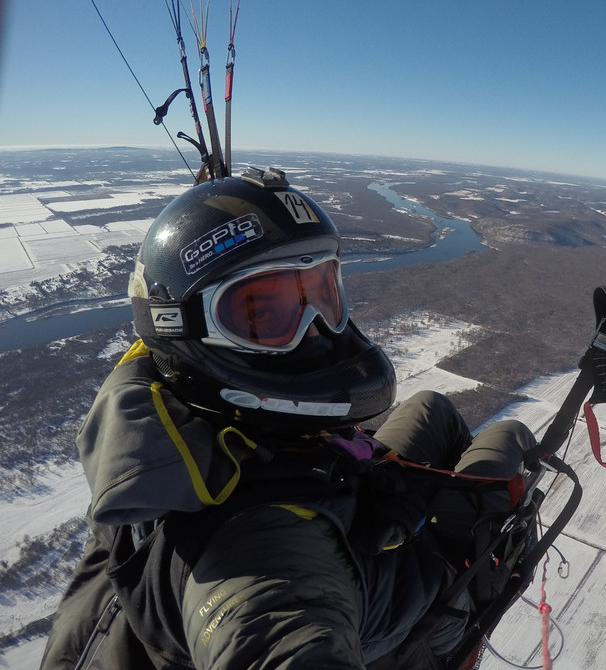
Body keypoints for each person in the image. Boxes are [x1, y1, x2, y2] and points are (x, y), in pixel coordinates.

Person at [40, 167, 538, 670]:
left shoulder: (161, 412)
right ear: (188, 330)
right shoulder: (257, 563)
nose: (316, 330)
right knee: (510, 437)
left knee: (433, 406)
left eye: (322, 293)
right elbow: (269, 625)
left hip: (351, 502)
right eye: (265, 314)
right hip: (428, 610)